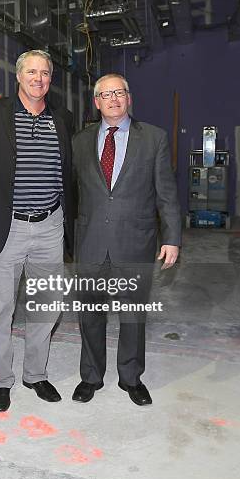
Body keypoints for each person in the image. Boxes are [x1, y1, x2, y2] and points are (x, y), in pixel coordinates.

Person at [72, 73, 181, 406]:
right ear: (96, 102)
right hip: (90, 242)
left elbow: (166, 193)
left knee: (132, 314)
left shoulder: (154, 139)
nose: (113, 99)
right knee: (90, 313)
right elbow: (70, 192)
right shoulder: (79, 141)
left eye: (119, 93)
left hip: (135, 242)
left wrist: (172, 236)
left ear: (129, 98)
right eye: (106, 94)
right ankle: (90, 376)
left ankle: (131, 378)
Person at [0, 49, 74, 412]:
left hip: (50, 225)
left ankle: (35, 374)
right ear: (18, 76)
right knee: (1, 308)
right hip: (8, 225)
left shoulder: (62, 117)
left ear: (51, 79)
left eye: (45, 73)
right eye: (31, 72)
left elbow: (69, 172)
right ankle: (1, 380)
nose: (38, 79)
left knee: (48, 305)